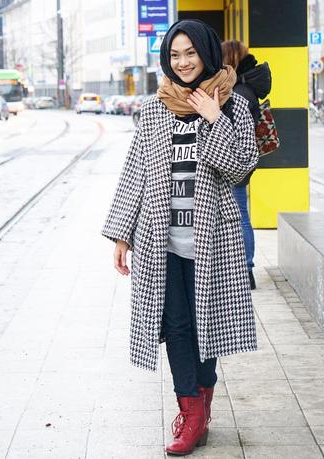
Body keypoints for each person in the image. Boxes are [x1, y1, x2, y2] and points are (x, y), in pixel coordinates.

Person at [102, 19, 259, 456]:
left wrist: (215, 119)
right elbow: (136, 170)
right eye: (175, 54)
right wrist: (122, 234)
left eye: (190, 53)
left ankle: (202, 404)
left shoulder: (231, 103)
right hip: (161, 240)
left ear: (206, 52)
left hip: (213, 240)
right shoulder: (155, 109)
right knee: (175, 326)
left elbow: (241, 169)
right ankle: (190, 412)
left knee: (206, 324)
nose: (183, 62)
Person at [222, 40, 272, 290]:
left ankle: (246, 269)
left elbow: (231, 129)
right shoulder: (245, 86)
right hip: (241, 158)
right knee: (239, 212)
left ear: (229, 59)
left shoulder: (240, 91)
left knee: (240, 214)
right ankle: (243, 267)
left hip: (237, 160)